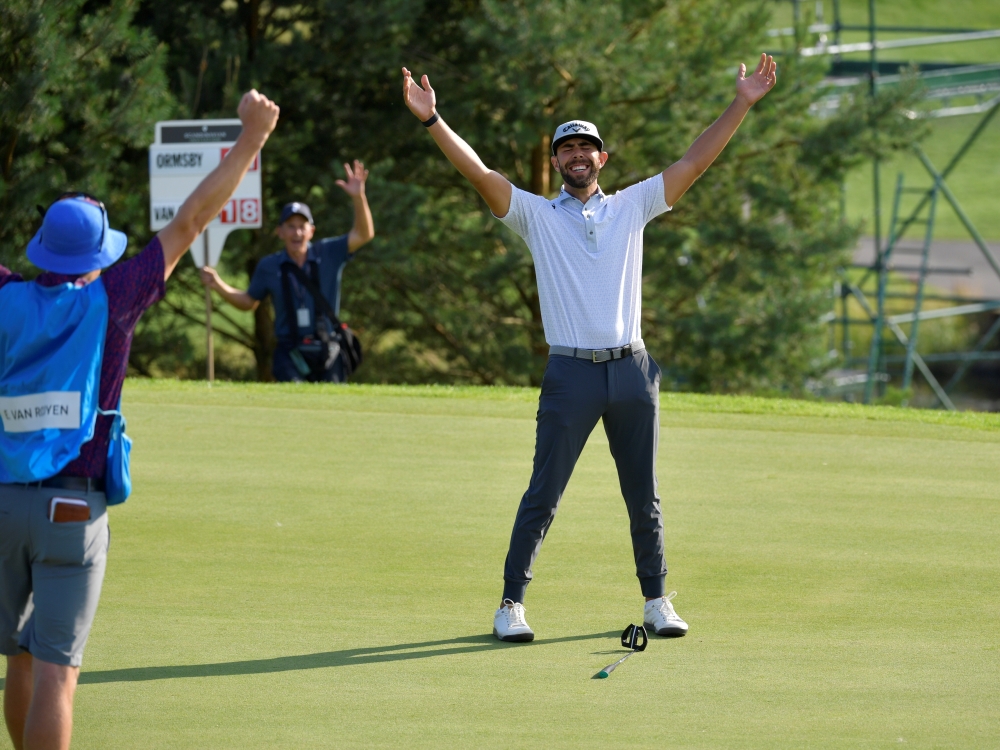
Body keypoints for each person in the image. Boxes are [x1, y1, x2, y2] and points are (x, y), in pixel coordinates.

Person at [401, 54, 777, 642]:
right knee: (543, 494)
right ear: (555, 162)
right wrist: (432, 121)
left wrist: (742, 103)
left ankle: (656, 600)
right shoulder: (534, 215)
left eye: (587, 147)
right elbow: (478, 173)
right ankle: (510, 605)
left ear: (602, 159)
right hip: (570, 374)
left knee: (643, 498)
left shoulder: (633, 205)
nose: (577, 155)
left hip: (631, 369)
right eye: (566, 148)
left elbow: (694, 161)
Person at [0, 90, 279, 750]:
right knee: (57, 677)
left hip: (2, 503)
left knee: (18, 657)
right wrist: (251, 139)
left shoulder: (6, 295)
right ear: (95, 256)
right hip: (74, 509)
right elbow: (190, 222)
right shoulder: (114, 297)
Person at [199, 161, 374, 383]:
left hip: (328, 349)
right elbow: (248, 302)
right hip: (290, 352)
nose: (296, 232)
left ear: (312, 231)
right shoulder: (269, 266)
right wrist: (217, 284)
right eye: (290, 226)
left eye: (302, 226)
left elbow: (364, 234)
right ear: (280, 232)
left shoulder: (328, 253)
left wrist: (358, 198)